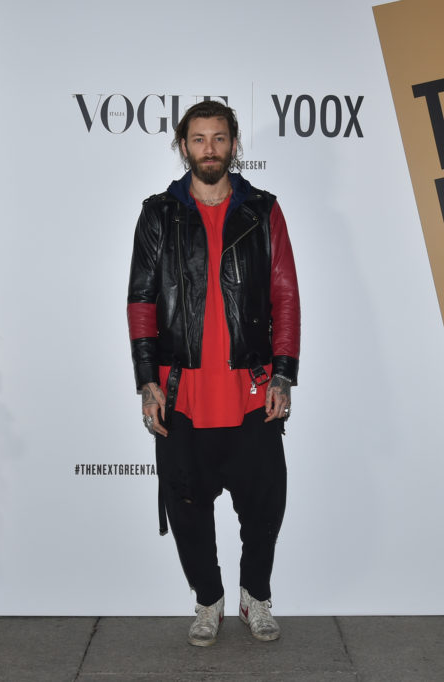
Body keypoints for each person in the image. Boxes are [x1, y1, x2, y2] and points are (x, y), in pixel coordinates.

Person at [126, 100, 300, 646]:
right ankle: (209, 599)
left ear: (234, 145)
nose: (209, 149)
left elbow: (285, 296)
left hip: (251, 388)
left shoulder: (263, 210)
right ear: (184, 146)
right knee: (187, 507)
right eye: (199, 139)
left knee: (264, 506)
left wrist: (282, 375)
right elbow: (141, 302)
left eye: (219, 138)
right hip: (182, 390)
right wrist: (148, 382)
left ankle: (256, 597)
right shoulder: (159, 214)